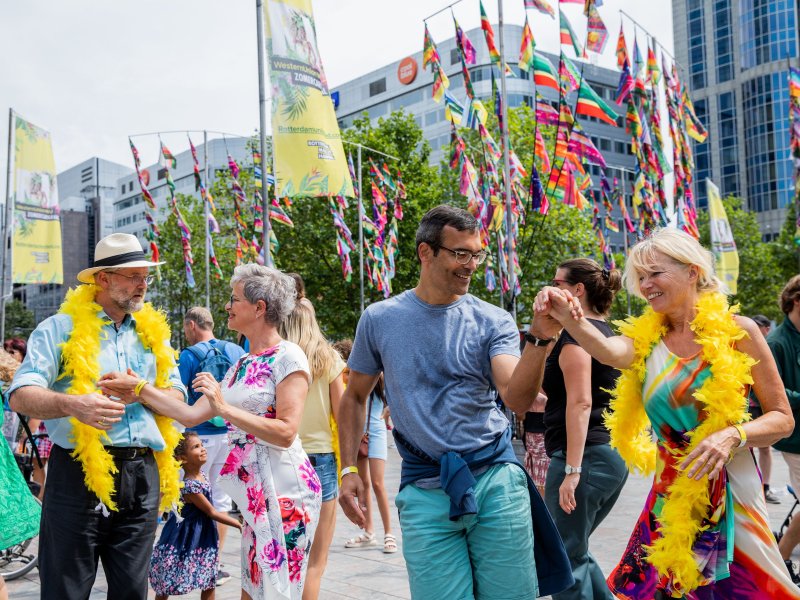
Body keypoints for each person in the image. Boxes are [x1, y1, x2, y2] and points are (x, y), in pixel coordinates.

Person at [534, 228, 799, 599]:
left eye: (655, 273)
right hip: (669, 495)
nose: (646, 285)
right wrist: (564, 312)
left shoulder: (739, 332)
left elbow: (782, 419)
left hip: (733, 493)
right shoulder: (645, 340)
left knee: (747, 590)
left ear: (692, 272)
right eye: (640, 277)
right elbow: (607, 350)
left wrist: (732, 435)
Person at [338, 205, 572, 600]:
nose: (471, 265)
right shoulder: (379, 318)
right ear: (425, 252)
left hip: (495, 481)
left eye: (476, 254)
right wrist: (347, 468)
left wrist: (539, 338)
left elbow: (515, 397)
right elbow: (355, 396)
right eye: (460, 254)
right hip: (423, 489)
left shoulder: (492, 320)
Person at [8, 233, 189, 600]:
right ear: (103, 279)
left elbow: (178, 400)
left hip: (142, 475)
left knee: (132, 593)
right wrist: (75, 405)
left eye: (145, 277)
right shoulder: (59, 329)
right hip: (77, 474)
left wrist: (142, 392)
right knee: (66, 590)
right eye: (133, 276)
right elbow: (20, 395)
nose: (143, 285)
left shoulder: (154, 335)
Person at [131, 264, 322, 600]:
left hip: (285, 491)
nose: (227, 307)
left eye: (234, 299)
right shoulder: (242, 364)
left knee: (277, 590)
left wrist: (224, 408)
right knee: (252, 587)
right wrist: (139, 388)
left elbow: (286, 432)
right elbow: (189, 414)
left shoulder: (288, 357)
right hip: (253, 495)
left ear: (259, 307)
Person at [515, 258, 629, 599]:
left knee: (562, 558)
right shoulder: (605, 335)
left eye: (558, 283)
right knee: (574, 551)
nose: (550, 288)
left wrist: (572, 470)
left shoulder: (577, 342)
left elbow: (581, 403)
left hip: (585, 457)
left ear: (577, 291)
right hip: (604, 456)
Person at [278, 297, 345, 600]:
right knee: (315, 563)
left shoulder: (277, 358)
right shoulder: (329, 358)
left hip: (284, 457)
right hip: (321, 461)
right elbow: (343, 417)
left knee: (283, 556)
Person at [179, 306, 245, 584]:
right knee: (219, 499)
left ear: (192, 326)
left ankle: (187, 560)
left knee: (190, 501)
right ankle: (212, 565)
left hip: (198, 437)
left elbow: (179, 397)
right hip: (228, 433)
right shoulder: (236, 351)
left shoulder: (189, 355)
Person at [149, 431, 242, 600]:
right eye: (196, 447)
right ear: (183, 458)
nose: (203, 449)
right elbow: (211, 512)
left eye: (202, 445)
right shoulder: (190, 485)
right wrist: (239, 525)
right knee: (168, 579)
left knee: (208, 580)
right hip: (183, 538)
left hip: (203, 536)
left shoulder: (203, 476)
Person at [767, 276, 800, 579]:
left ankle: (780, 559)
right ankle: (779, 561)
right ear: (797, 299)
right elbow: (767, 393)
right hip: (795, 439)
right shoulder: (777, 342)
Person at [343, 374, 397, 553]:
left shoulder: (380, 376)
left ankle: (389, 533)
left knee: (377, 482)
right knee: (363, 483)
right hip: (360, 431)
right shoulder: (354, 375)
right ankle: (369, 532)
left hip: (377, 429)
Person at [749, 314, 780, 504]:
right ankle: (753, 487)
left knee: (765, 449)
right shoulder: (746, 342)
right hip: (748, 406)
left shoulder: (771, 345)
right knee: (746, 448)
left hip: (764, 405)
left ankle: (765, 487)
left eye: (765, 327)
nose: (765, 330)